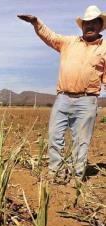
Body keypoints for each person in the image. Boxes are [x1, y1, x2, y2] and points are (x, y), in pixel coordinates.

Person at [18, 5, 106, 182]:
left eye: (94, 23)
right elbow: (50, 36)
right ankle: (56, 174)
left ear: (100, 26)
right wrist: (36, 23)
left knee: (81, 141)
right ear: (82, 26)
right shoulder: (68, 42)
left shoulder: (104, 49)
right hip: (63, 98)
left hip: (87, 101)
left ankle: (76, 177)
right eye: (86, 23)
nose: (90, 26)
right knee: (55, 136)